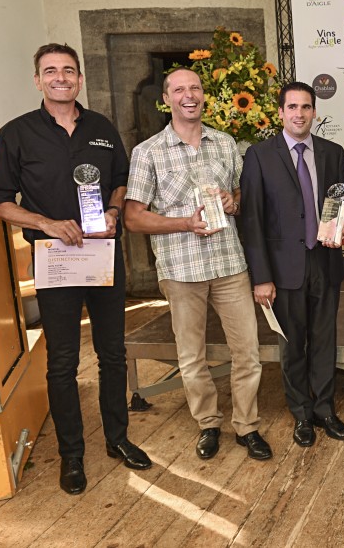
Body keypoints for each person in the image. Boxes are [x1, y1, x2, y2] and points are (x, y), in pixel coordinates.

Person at [0, 43, 151, 495]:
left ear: (79, 79)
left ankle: (118, 439)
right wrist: (46, 223)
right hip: (55, 260)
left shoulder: (100, 127)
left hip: (102, 256)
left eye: (69, 70)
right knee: (62, 362)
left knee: (112, 352)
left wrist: (115, 211)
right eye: (50, 71)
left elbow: (120, 179)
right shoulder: (14, 134)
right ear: (37, 80)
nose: (61, 77)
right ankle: (71, 455)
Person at [124, 67, 271, 462]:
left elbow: (242, 196)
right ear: (167, 99)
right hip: (181, 269)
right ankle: (208, 423)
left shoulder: (225, 144)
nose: (189, 95)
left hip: (229, 264)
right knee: (191, 357)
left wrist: (232, 201)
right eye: (179, 90)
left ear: (204, 95)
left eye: (195, 88)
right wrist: (183, 223)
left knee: (248, 353)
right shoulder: (148, 152)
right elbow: (133, 217)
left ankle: (247, 426)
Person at [239, 82, 344, 448]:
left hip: (324, 260)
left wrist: (341, 227)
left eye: (306, 107)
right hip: (282, 269)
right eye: (292, 107)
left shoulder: (333, 153)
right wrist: (261, 277)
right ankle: (301, 414)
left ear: (314, 112)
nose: (299, 114)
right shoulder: (259, 155)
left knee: (325, 341)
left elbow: (341, 203)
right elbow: (252, 219)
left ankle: (325, 410)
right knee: (293, 345)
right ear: (281, 112)